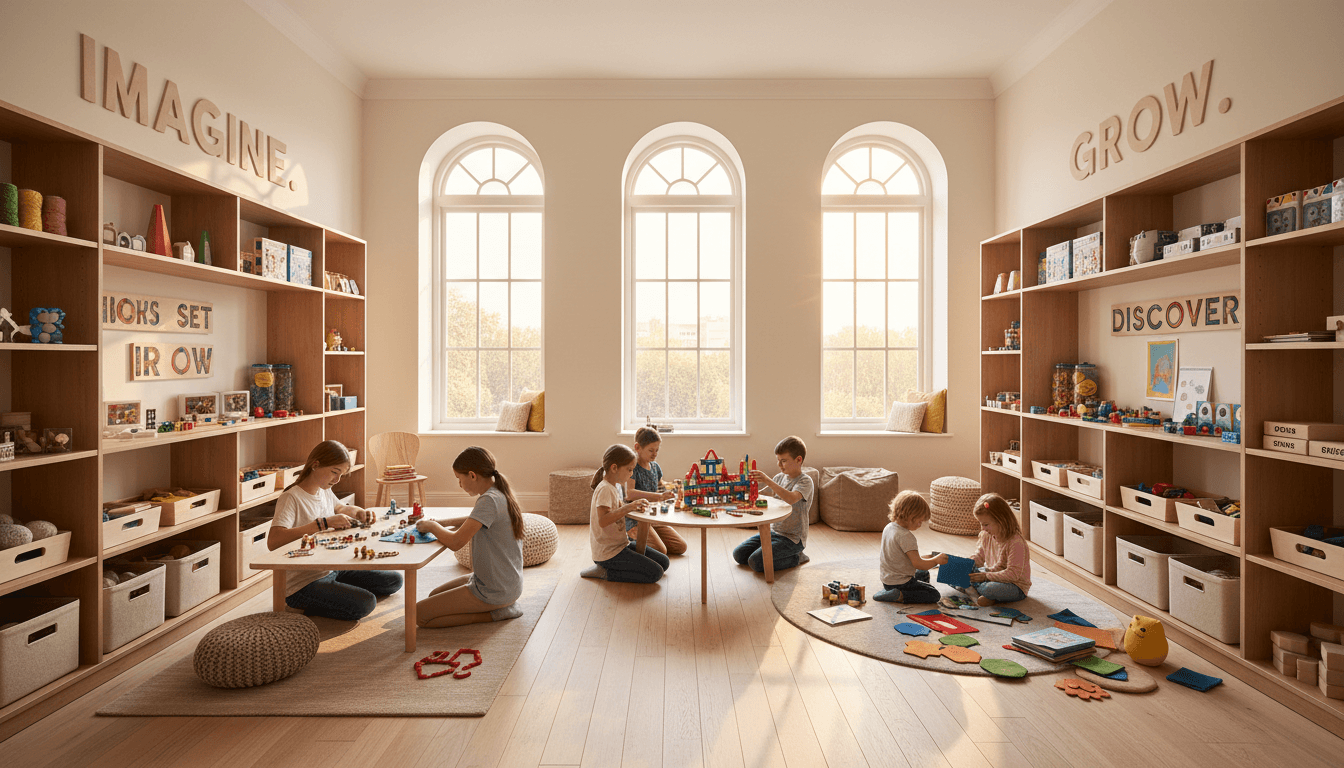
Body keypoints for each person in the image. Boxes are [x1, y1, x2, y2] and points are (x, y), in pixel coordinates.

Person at [267, 440, 403, 621]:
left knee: (394, 580)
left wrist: (359, 512)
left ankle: (332, 591)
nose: (337, 480)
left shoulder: (323, 490)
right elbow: (274, 541)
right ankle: (300, 604)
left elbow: (340, 507)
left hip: (332, 569)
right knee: (366, 603)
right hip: (303, 583)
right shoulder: (291, 498)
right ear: (315, 465)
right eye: (334, 472)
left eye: (341, 475)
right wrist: (322, 524)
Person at [414, 447, 526, 627]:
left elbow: (456, 542)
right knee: (434, 595)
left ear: (472, 475)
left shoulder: (488, 500)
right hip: (506, 584)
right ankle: (499, 606)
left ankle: (498, 613)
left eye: (459, 478)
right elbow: (475, 520)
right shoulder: (498, 492)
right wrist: (443, 522)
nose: (459, 484)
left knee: (418, 615)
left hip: (494, 591)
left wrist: (433, 527)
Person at [581, 444, 670, 583]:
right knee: (655, 573)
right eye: (629, 469)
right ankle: (605, 572)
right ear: (614, 467)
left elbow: (619, 510)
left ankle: (614, 567)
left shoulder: (615, 486)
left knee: (664, 562)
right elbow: (603, 520)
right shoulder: (605, 489)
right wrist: (629, 507)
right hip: (608, 554)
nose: (631, 474)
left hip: (621, 545)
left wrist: (635, 507)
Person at [734, 435, 812, 573]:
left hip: (792, 539)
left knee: (755, 562)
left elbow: (791, 498)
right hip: (774, 532)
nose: (779, 465)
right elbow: (763, 496)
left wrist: (767, 480)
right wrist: (743, 491)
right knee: (739, 555)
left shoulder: (805, 481)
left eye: (784, 461)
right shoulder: (778, 478)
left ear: (798, 459)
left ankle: (797, 557)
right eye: (778, 460)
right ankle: (772, 554)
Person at [956, 493, 1032, 606]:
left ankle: (982, 593)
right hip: (992, 575)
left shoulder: (1016, 542)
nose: (983, 528)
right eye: (981, 524)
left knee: (989, 588)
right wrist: (964, 565)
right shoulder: (986, 535)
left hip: (1014, 586)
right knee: (954, 574)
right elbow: (979, 558)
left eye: (986, 524)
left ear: (1001, 520)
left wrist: (985, 576)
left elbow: (1013, 574)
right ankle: (986, 596)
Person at [873, 490, 948, 603]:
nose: (920, 525)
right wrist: (936, 560)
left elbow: (899, 556)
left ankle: (893, 591)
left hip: (887, 580)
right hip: (901, 583)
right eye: (919, 521)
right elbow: (918, 564)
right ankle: (900, 595)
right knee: (933, 594)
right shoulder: (906, 536)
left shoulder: (889, 527)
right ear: (911, 517)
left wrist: (928, 558)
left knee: (923, 574)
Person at [625, 426, 685, 556]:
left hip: (652, 517)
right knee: (661, 550)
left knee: (680, 547)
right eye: (651, 450)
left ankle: (649, 539)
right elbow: (629, 493)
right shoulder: (633, 467)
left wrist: (673, 487)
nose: (655, 454)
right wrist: (659, 497)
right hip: (637, 518)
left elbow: (660, 485)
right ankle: (630, 541)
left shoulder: (655, 467)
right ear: (637, 448)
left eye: (657, 450)